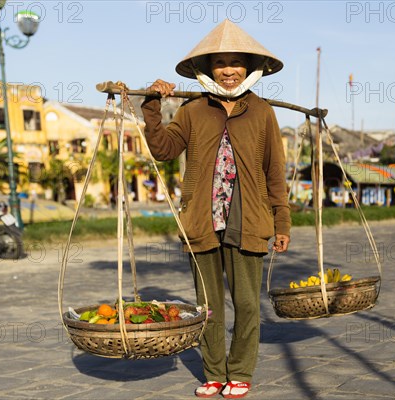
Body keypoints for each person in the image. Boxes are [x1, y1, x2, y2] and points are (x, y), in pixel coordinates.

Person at [142, 20, 290, 399]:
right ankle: (213, 373)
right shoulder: (193, 110)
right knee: (207, 306)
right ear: (207, 69)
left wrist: (282, 220)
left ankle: (239, 371)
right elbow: (163, 149)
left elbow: (275, 171)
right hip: (202, 219)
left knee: (245, 303)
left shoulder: (261, 112)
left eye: (235, 63)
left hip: (250, 220)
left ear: (248, 67)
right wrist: (153, 106)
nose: (228, 71)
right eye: (220, 63)